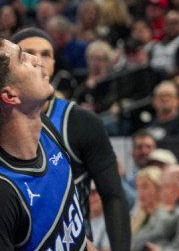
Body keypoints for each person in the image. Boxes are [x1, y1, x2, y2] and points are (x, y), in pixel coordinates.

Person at [11, 27, 131, 250]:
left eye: (46, 54)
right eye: (27, 54)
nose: (38, 60)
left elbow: (113, 196)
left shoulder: (79, 122)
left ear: (54, 63)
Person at [0, 37, 93, 250]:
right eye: (22, 58)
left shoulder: (46, 130)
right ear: (10, 95)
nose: (37, 60)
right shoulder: (5, 192)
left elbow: (76, 236)